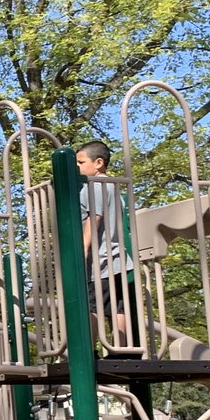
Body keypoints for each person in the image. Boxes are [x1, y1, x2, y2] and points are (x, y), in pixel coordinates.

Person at [76, 141, 135, 348]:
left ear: (98, 163)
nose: (78, 167)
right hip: (118, 260)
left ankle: (89, 351)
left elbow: (95, 217)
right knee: (117, 307)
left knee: (92, 306)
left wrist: (82, 249)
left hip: (99, 261)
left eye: (81, 162)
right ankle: (122, 349)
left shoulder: (93, 186)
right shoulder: (113, 186)